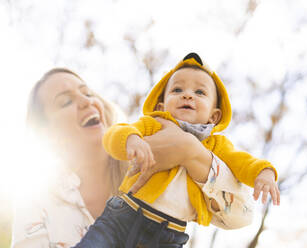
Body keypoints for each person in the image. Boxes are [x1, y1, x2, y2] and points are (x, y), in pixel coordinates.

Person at [73, 53, 280, 248]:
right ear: (162, 106)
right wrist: (132, 140)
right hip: (124, 215)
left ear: (214, 116)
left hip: (168, 234)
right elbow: (115, 134)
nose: (187, 95)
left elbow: (242, 163)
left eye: (199, 92)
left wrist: (265, 172)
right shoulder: (153, 124)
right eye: (177, 90)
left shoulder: (216, 146)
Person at [11, 68, 228, 247]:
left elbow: (240, 216)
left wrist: (191, 150)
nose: (88, 102)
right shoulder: (36, 203)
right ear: (48, 133)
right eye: (66, 102)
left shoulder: (148, 160)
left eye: (87, 93)